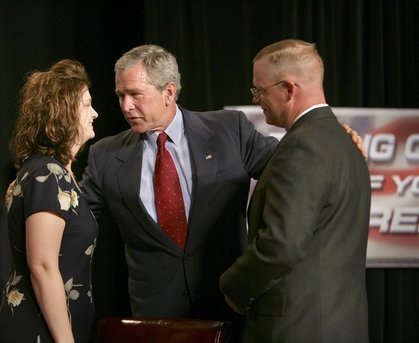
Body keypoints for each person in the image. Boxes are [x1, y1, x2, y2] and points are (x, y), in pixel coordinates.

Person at [79, 44, 366, 341]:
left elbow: (296, 165)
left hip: (227, 311)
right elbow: (75, 219)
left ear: (169, 92)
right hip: (156, 319)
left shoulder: (230, 130)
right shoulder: (105, 155)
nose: (126, 106)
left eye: (135, 95)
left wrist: (333, 143)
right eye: (120, 96)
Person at [220, 39, 371, 342]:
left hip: (297, 328)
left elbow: (281, 243)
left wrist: (233, 287)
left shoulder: (303, 146)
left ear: (288, 89)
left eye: (259, 91)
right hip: (340, 325)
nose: (256, 99)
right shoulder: (344, 143)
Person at [0, 59, 99, 343]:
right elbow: (42, 266)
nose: (95, 113)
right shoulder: (46, 173)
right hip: (40, 331)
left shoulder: (56, 174)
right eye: (87, 104)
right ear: (64, 111)